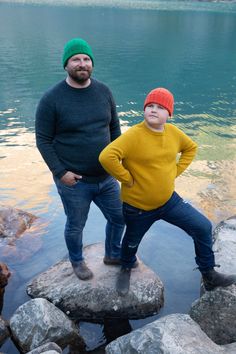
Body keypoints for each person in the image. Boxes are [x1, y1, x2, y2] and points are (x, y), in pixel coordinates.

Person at [99, 87, 236, 295]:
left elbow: (191, 148)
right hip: (138, 208)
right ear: (144, 110)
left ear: (168, 114)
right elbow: (106, 157)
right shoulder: (134, 135)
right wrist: (126, 178)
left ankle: (208, 274)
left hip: (169, 202)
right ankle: (125, 268)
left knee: (202, 226)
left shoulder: (173, 133)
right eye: (150, 106)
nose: (154, 110)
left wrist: (176, 171)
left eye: (160, 107)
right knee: (131, 242)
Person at [35, 37, 125, 281]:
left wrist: (119, 164)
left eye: (86, 59)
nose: (82, 63)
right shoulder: (51, 99)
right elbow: (43, 140)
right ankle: (77, 261)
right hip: (75, 180)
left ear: (92, 64)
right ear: (66, 64)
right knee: (76, 225)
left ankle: (113, 254)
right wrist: (61, 172)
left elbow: (115, 130)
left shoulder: (104, 91)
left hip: (106, 177)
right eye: (76, 59)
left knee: (119, 217)